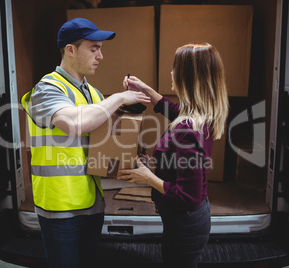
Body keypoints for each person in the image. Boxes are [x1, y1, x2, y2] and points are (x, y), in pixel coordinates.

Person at [20, 18, 150, 268]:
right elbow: (74, 124)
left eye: (101, 49)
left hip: (91, 204)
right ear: (70, 49)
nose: (100, 56)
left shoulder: (93, 93)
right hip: (60, 208)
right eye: (94, 48)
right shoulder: (47, 89)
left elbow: (105, 141)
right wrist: (119, 97)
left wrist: (131, 160)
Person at [118, 42, 229, 267]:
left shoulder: (188, 128)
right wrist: (144, 89)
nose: (171, 72)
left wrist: (146, 177)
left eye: (175, 68)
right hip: (184, 221)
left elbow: (189, 197)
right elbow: (172, 108)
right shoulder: (199, 112)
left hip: (185, 225)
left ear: (188, 77)